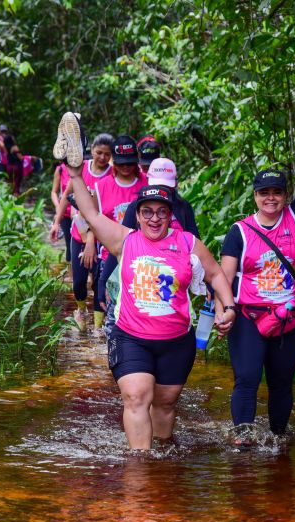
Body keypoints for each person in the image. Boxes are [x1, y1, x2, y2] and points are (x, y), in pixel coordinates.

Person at [55, 111, 238, 449]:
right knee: (137, 397)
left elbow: (215, 274)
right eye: (147, 212)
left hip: (176, 339)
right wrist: (75, 172)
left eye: (162, 212)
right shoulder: (124, 240)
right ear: (137, 215)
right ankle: (139, 468)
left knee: (165, 404)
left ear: (171, 214)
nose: (155, 218)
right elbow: (91, 214)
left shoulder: (188, 243)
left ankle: (162, 457)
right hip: (131, 337)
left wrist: (228, 306)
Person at [219, 113, 295, 446]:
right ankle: (243, 439)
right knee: (246, 378)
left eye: (277, 192)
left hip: (287, 317)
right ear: (255, 196)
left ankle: (277, 440)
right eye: (264, 192)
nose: (270, 197)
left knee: (282, 383)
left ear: (285, 195)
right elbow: (224, 277)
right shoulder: (239, 232)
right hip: (248, 316)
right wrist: (223, 310)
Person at [97, 157, 200, 315]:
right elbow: (120, 245)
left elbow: (196, 247)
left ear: (175, 184)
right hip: (140, 280)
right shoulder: (136, 208)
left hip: (172, 283)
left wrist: (210, 284)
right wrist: (103, 281)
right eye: (158, 185)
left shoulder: (183, 208)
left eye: (167, 187)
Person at [56, 133, 114, 331]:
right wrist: (56, 223)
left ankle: (98, 328)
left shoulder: (112, 175)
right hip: (78, 233)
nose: (102, 158)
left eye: (107, 154)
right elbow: (65, 196)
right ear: (91, 151)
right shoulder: (82, 170)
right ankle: (81, 310)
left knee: (99, 283)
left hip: (103, 236)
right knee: (79, 281)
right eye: (99, 153)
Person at [92, 135, 147, 330]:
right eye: (122, 163)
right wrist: (89, 243)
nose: (126, 167)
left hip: (142, 260)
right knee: (113, 313)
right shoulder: (101, 187)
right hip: (110, 258)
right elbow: (92, 220)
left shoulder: (147, 185)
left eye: (131, 163)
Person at [50, 163, 73, 261]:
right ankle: (71, 271)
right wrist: (58, 206)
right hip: (65, 213)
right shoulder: (60, 169)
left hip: (81, 213)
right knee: (69, 242)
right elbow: (54, 192)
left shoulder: (84, 166)